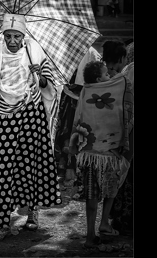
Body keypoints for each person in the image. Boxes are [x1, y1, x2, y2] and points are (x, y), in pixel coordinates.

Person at [0, 13, 63, 242]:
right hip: (3, 116)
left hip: (31, 115)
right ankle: (1, 222)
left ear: (23, 36)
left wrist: (37, 75)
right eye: (8, 35)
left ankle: (32, 213)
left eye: (16, 36)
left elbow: (47, 86)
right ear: (3, 35)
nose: (12, 40)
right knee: (0, 167)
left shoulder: (34, 51)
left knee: (30, 163)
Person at [69, 42, 134, 248]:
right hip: (111, 150)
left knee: (91, 194)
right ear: (122, 59)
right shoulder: (122, 83)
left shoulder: (86, 90)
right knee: (111, 188)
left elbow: (78, 120)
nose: (109, 75)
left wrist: (74, 148)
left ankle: (90, 234)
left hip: (89, 152)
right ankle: (104, 222)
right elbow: (128, 113)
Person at [53, 47, 101, 187]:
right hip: (68, 97)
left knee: (79, 134)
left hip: (82, 98)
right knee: (65, 132)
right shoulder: (65, 50)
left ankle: (76, 172)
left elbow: (94, 79)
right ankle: (64, 169)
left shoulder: (92, 53)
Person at [109, 41, 134, 235]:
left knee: (125, 173)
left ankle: (121, 217)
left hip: (127, 129)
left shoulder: (127, 73)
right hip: (129, 129)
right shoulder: (127, 73)